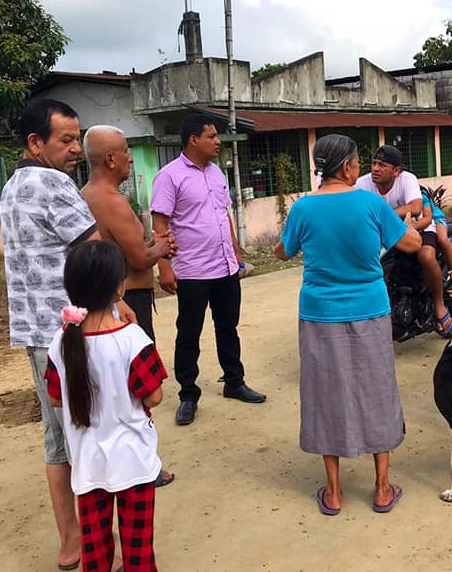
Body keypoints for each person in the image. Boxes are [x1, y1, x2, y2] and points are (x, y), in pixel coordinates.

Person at [0, 98, 143, 570]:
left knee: (57, 438)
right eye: (64, 140)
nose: (74, 149)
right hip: (73, 330)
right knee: (92, 432)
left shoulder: (12, 187)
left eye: (76, 140)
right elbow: (94, 253)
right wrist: (117, 302)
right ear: (35, 142)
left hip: (34, 332)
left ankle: (71, 542)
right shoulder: (54, 183)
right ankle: (101, 542)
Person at [274, 134, 422, 515]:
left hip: (319, 314)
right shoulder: (371, 204)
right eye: (358, 163)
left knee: (325, 393)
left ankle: (334, 491)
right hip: (369, 310)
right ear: (346, 167)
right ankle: (383, 488)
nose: (361, 169)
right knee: (377, 389)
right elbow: (410, 244)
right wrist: (409, 226)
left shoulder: (303, 208)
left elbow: (283, 251)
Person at [44, 241, 166, 571]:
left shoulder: (61, 341)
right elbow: (154, 396)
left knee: (95, 554)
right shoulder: (133, 340)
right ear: (119, 287)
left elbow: (55, 397)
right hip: (133, 463)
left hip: (88, 465)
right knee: (138, 552)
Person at [150, 114, 266, 427]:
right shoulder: (169, 176)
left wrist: (236, 253)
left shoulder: (216, 172)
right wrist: (164, 267)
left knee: (228, 326)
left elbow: (223, 214)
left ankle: (234, 382)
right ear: (193, 140)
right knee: (189, 333)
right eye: (212, 136)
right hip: (192, 270)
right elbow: (160, 224)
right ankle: (188, 394)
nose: (217, 141)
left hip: (224, 266)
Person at [81, 125, 177, 487]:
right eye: (126, 151)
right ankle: (144, 466)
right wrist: (161, 247)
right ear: (110, 159)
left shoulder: (84, 195)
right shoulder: (113, 201)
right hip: (128, 300)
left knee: (110, 391)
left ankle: (114, 464)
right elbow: (138, 259)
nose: (130, 159)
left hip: (104, 302)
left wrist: (153, 246)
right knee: (139, 390)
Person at [356, 144, 452, 336]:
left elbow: (416, 208)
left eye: (382, 165)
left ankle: (439, 304)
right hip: (384, 232)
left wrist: (384, 217)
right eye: (374, 164)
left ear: (396, 171)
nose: (375, 168)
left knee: (426, 255)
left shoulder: (407, 179)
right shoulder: (362, 183)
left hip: (418, 226)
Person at [413, 186, 452, 293]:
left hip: (436, 219)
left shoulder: (420, 194)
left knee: (442, 239)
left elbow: (427, 217)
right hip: (419, 225)